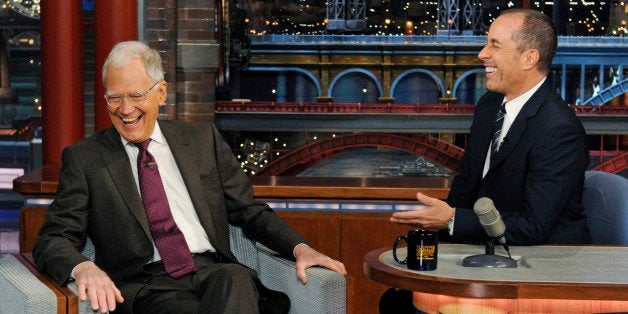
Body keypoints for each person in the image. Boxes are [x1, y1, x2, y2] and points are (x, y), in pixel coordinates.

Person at [33, 41, 346, 314]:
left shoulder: (201, 141)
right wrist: (82, 267)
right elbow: (53, 238)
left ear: (161, 93)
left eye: (136, 95)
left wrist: (300, 248)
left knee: (236, 277)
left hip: (212, 271)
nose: (125, 109)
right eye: (114, 97)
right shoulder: (86, 158)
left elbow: (248, 211)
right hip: (148, 286)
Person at [380, 8, 590, 313]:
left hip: (543, 269)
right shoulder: (490, 105)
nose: (482, 54)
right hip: (490, 254)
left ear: (528, 58)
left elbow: (533, 227)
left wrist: (452, 220)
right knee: (397, 301)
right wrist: (433, 252)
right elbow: (466, 188)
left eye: (494, 45)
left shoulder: (559, 129)